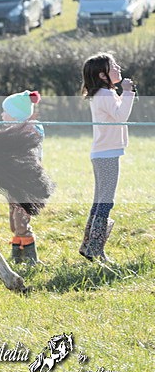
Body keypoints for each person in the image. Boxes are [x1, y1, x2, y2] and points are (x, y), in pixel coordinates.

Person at [79, 52, 136, 263]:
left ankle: (89, 246)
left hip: (102, 154)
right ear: (103, 75)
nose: (119, 68)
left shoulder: (103, 94)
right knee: (105, 202)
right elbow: (121, 116)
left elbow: (116, 113)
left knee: (100, 201)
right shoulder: (105, 95)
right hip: (107, 155)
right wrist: (128, 92)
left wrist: (122, 94)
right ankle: (95, 249)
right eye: (114, 66)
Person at [1, 90, 44, 265]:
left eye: (5, 112)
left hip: (25, 183)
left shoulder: (29, 132)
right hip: (13, 182)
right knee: (14, 221)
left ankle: (31, 257)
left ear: (15, 115)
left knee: (21, 220)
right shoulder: (15, 131)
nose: (2, 115)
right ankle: (17, 255)